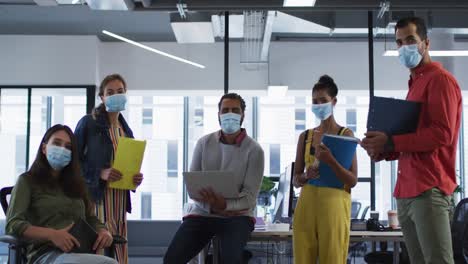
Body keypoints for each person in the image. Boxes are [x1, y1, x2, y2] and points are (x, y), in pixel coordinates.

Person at [361, 17, 461, 264]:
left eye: (410, 40)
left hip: (428, 188)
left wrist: (391, 142)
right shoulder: (415, 84)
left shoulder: (440, 80)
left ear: (425, 43)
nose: (403, 46)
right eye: (398, 42)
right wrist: (382, 148)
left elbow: (441, 133)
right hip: (406, 191)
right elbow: (412, 139)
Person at [163, 93, 264, 264]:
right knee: (172, 259)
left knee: (231, 259)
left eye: (235, 110)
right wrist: (213, 207)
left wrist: (225, 206)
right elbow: (192, 188)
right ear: (218, 114)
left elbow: (249, 197)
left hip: (237, 217)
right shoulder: (204, 143)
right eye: (225, 110)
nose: (229, 114)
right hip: (203, 213)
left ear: (243, 115)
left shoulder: (254, 150)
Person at [6, 124, 117, 264]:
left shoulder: (77, 184)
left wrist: (103, 231)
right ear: (44, 148)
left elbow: (90, 218)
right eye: (57, 143)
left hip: (79, 252)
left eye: (68, 147)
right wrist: (52, 235)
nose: (62, 149)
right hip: (45, 254)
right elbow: (13, 224)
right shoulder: (27, 181)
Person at [74, 74, 143, 264]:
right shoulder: (89, 123)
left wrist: (134, 179)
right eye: (110, 92)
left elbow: (125, 165)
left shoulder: (126, 130)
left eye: (120, 91)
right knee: (99, 248)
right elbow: (73, 163)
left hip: (119, 200)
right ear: (102, 97)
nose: (116, 95)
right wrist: (100, 173)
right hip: (96, 198)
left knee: (118, 250)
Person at [292, 75, 358, 264]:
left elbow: (352, 180)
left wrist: (331, 161)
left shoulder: (345, 135)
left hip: (334, 206)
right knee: (303, 258)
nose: (319, 105)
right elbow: (296, 180)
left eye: (323, 101)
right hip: (306, 206)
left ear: (334, 102)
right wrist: (305, 176)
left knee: (333, 258)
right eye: (315, 101)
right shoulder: (305, 137)